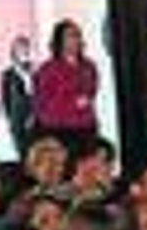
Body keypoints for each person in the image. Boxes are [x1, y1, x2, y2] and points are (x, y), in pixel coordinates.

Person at [32, 20, 100, 148]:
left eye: (78, 35)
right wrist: (71, 103)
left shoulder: (89, 66)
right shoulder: (47, 69)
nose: (76, 39)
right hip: (58, 130)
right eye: (70, 35)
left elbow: (90, 93)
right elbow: (41, 103)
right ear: (59, 41)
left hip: (85, 126)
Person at [0, 35, 35, 158]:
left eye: (26, 49)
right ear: (13, 53)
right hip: (18, 118)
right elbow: (6, 100)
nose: (24, 53)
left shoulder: (34, 71)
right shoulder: (7, 74)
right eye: (20, 50)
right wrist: (12, 120)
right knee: (22, 151)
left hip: (35, 115)